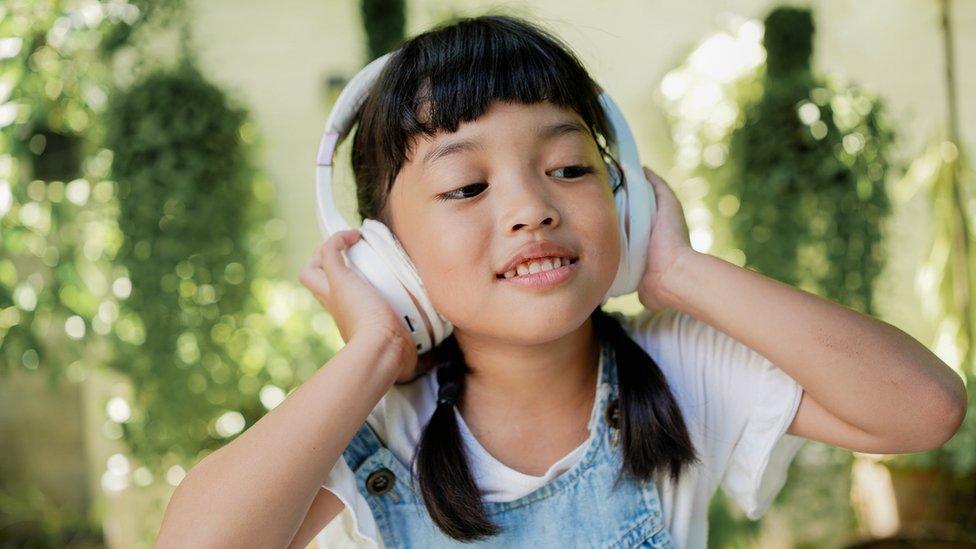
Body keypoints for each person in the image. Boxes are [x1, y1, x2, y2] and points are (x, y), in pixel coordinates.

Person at [156, 14, 967, 549]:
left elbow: (924, 408)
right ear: (387, 253)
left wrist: (679, 271)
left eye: (570, 167)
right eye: (467, 187)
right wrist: (375, 348)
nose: (531, 209)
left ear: (626, 201)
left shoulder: (681, 368)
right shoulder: (374, 427)